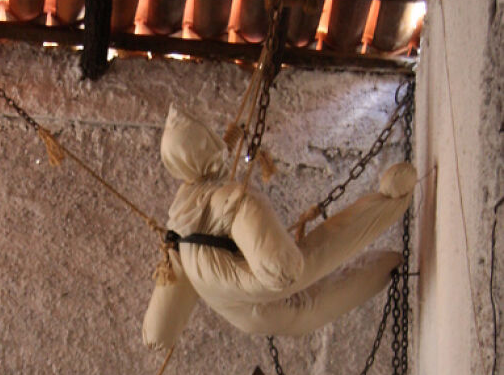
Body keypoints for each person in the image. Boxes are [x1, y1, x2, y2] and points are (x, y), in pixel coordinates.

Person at [143, 104, 416, 350]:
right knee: (325, 250)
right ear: (208, 148)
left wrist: (158, 335)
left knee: (308, 313)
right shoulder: (224, 198)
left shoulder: (179, 215)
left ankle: (386, 266)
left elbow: (167, 300)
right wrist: (279, 267)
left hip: (238, 312)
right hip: (258, 283)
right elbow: (262, 240)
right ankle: (392, 200)